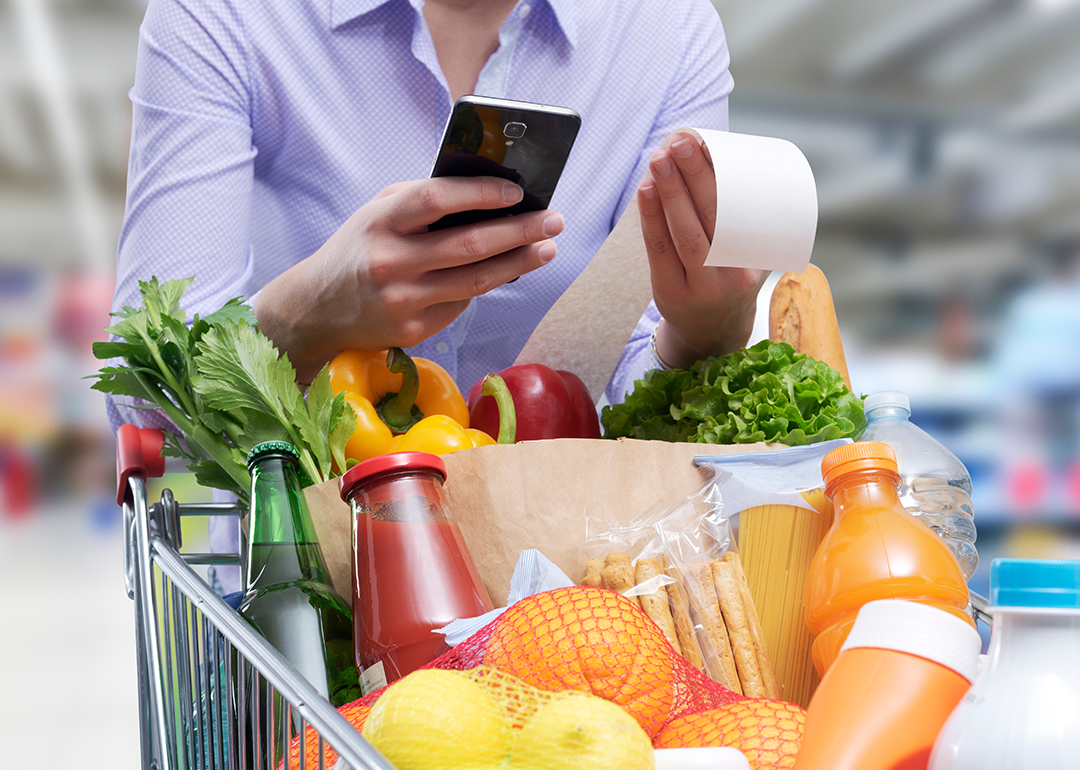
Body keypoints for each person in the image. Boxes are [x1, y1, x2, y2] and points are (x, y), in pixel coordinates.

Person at [109, 0, 767, 591]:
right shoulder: (224, 15)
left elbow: (632, 386)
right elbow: (142, 391)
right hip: (300, 587)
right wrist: (311, 312)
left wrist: (701, 332)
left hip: (545, 584)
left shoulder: (666, 30)